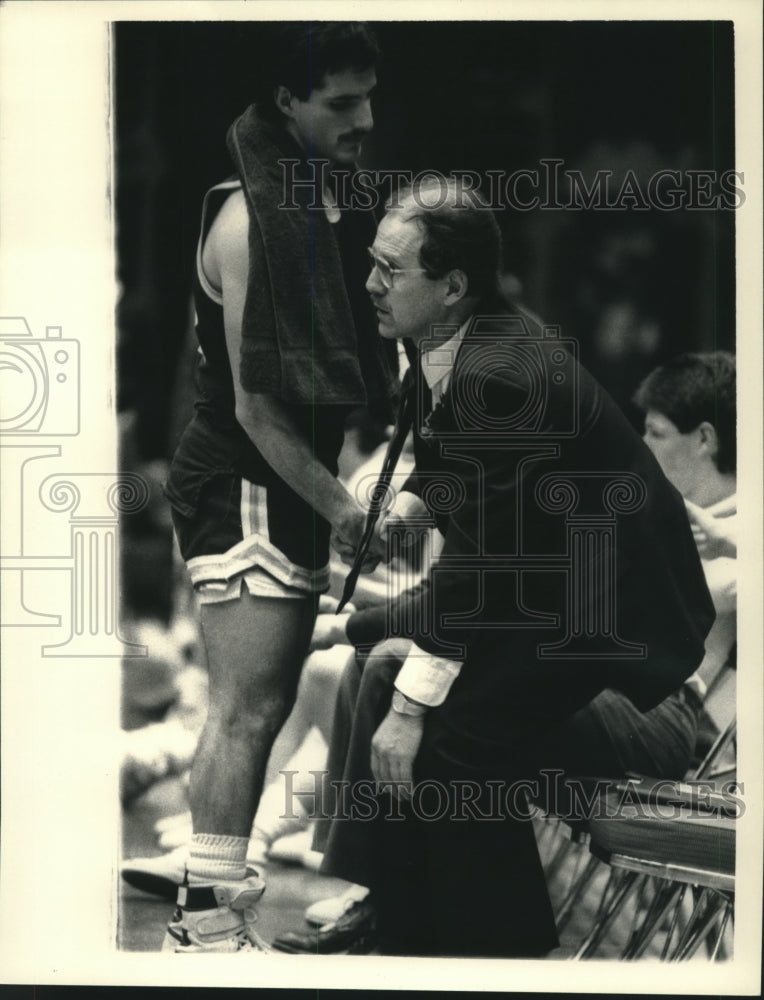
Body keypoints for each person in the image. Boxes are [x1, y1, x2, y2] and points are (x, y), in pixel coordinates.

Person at [277, 179, 715, 958]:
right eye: (372, 263)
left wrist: (397, 682)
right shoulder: (465, 338)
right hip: (550, 606)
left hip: (611, 638)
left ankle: (494, 956)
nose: (370, 283)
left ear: (452, 284)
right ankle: (397, 917)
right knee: (386, 673)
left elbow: (482, 571)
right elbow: (457, 467)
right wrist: (409, 511)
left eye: (390, 269)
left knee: (455, 735)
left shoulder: (503, 373)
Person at [161, 23, 398, 953]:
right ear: (286, 104)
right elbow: (259, 410)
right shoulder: (252, 219)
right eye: (341, 103)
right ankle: (205, 921)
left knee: (257, 708)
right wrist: (347, 508)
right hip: (244, 476)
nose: (364, 120)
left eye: (369, 97)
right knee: (245, 708)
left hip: (285, 475)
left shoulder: (310, 195)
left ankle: (209, 907)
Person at [634, 352, 737, 728]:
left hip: (690, 729)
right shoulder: (665, 514)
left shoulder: (741, 537)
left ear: (704, 439)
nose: (642, 445)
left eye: (656, 433)